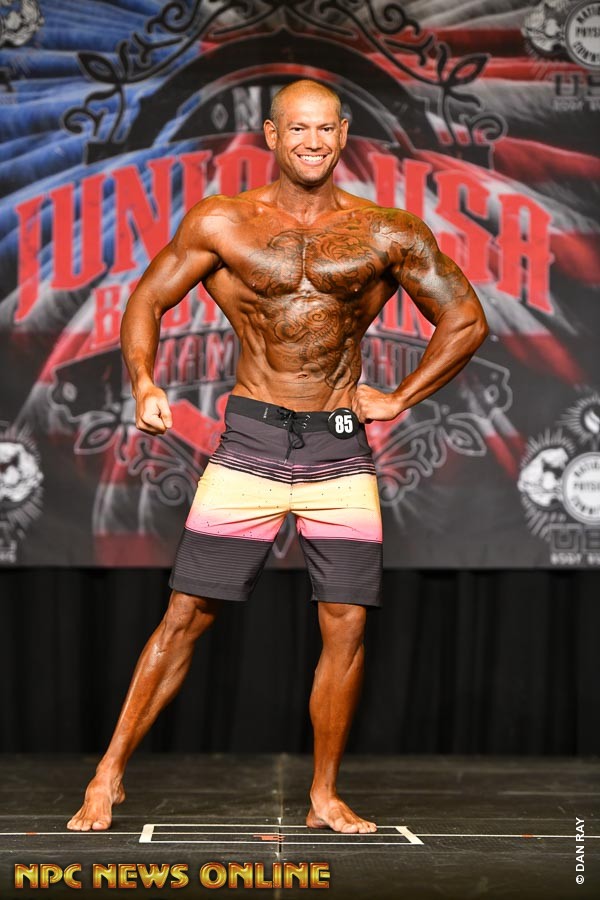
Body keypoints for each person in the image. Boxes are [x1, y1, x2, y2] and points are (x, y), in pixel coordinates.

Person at [67, 79, 488, 835]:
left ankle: (324, 794)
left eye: (326, 129)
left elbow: (464, 320)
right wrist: (144, 382)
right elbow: (146, 299)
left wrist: (399, 398)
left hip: (339, 448)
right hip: (252, 441)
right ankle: (108, 774)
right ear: (271, 135)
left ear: (343, 134)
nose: (313, 142)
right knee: (187, 613)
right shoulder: (223, 221)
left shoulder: (387, 230)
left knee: (346, 623)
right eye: (298, 129)